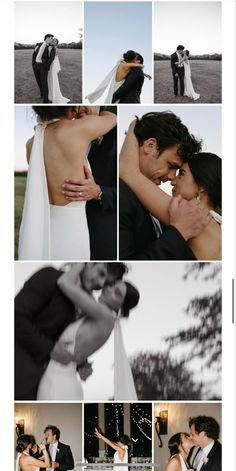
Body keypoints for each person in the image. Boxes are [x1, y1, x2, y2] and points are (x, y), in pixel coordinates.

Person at [18, 106, 116, 260]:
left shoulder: (31, 143)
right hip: (72, 227)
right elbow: (112, 118)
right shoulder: (80, 129)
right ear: (73, 108)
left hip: (44, 224)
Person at [120, 119, 221, 260]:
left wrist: (133, 127)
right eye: (172, 166)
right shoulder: (217, 224)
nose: (172, 178)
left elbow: (127, 171)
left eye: (181, 173)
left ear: (201, 187)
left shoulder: (197, 219)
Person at [37, 264, 139, 400]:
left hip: (55, 380)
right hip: (66, 380)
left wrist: (82, 262)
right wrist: (83, 364)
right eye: (112, 285)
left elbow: (64, 282)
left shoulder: (105, 315)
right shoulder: (101, 317)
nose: (109, 289)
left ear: (121, 309)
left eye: (117, 293)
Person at [15, 263, 109, 400]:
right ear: (87, 264)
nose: (100, 283)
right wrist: (50, 348)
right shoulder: (49, 276)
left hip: (45, 389)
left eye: (105, 281)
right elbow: (16, 315)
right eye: (101, 273)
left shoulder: (84, 304)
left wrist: (81, 364)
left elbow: (63, 339)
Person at [61, 106, 117, 259]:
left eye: (86, 102)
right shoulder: (64, 134)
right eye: (76, 104)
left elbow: (128, 190)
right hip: (64, 228)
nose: (80, 108)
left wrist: (99, 192)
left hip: (100, 233)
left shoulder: (116, 136)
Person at [86, 50, 150, 104]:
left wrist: (145, 74)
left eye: (136, 58)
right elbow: (140, 66)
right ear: (132, 60)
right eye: (134, 58)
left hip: (120, 90)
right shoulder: (128, 66)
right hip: (119, 88)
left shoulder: (122, 64)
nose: (134, 60)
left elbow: (136, 71)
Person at [32, 34, 55, 103]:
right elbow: (34, 54)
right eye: (51, 38)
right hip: (36, 66)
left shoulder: (51, 48)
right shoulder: (38, 44)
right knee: (39, 82)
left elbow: (51, 59)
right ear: (47, 38)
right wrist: (33, 64)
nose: (52, 40)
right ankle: (41, 95)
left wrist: (45, 64)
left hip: (43, 67)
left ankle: (46, 100)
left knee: (44, 83)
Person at [47, 38, 70, 103]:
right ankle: (50, 95)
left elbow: (54, 58)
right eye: (53, 40)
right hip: (50, 65)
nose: (54, 41)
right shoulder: (50, 47)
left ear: (57, 43)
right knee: (49, 79)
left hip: (52, 65)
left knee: (53, 79)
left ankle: (54, 96)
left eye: (55, 41)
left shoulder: (55, 49)